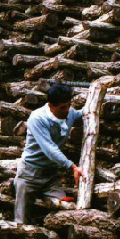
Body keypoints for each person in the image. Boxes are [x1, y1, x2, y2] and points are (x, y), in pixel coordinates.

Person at [14, 83, 84, 224]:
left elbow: (83, 113)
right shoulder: (38, 118)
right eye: (62, 108)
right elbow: (49, 149)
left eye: (69, 105)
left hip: (51, 177)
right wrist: (72, 166)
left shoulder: (69, 113)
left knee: (66, 210)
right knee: (21, 220)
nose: (67, 110)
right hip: (29, 175)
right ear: (50, 106)